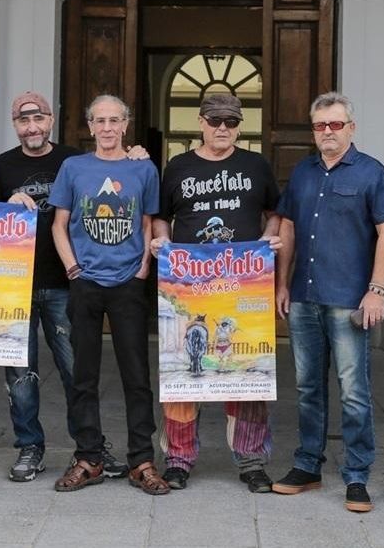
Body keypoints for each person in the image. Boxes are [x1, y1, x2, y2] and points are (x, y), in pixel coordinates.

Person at [271, 91, 384, 513]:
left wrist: (377, 289)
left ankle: (357, 474)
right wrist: (282, 283)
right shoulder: (303, 173)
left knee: (354, 390)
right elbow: (288, 228)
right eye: (320, 125)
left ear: (351, 127)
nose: (327, 132)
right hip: (306, 297)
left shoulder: (371, 173)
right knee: (308, 388)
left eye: (335, 124)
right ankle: (308, 465)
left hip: (350, 300)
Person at [0, 90, 128, 482]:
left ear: (51, 120)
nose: (31, 127)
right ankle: (29, 447)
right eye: (22, 120)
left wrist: (135, 154)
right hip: (14, 287)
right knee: (20, 374)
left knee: (76, 370)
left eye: (38, 118)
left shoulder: (74, 160)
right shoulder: (1, 166)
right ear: (15, 125)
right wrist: (6, 203)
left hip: (65, 283)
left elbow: (114, 184)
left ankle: (92, 448)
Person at [148, 93, 282, 493]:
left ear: (239, 125)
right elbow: (159, 217)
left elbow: (275, 212)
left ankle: (251, 460)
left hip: (242, 286)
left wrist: (268, 240)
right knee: (184, 373)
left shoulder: (255, 166)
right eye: (214, 120)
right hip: (189, 287)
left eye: (230, 121)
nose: (222, 127)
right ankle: (178, 458)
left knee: (246, 372)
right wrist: (162, 244)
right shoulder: (178, 167)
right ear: (201, 122)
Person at [49, 94, 168, 495]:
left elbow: (149, 221)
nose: (107, 128)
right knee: (83, 374)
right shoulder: (73, 167)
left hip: (127, 283)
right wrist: (73, 270)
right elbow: (59, 224)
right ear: (89, 126)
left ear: (126, 124)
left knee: (137, 375)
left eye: (114, 120)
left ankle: (142, 460)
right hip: (85, 283)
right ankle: (89, 457)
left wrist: (143, 269)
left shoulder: (143, 168)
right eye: (99, 120)